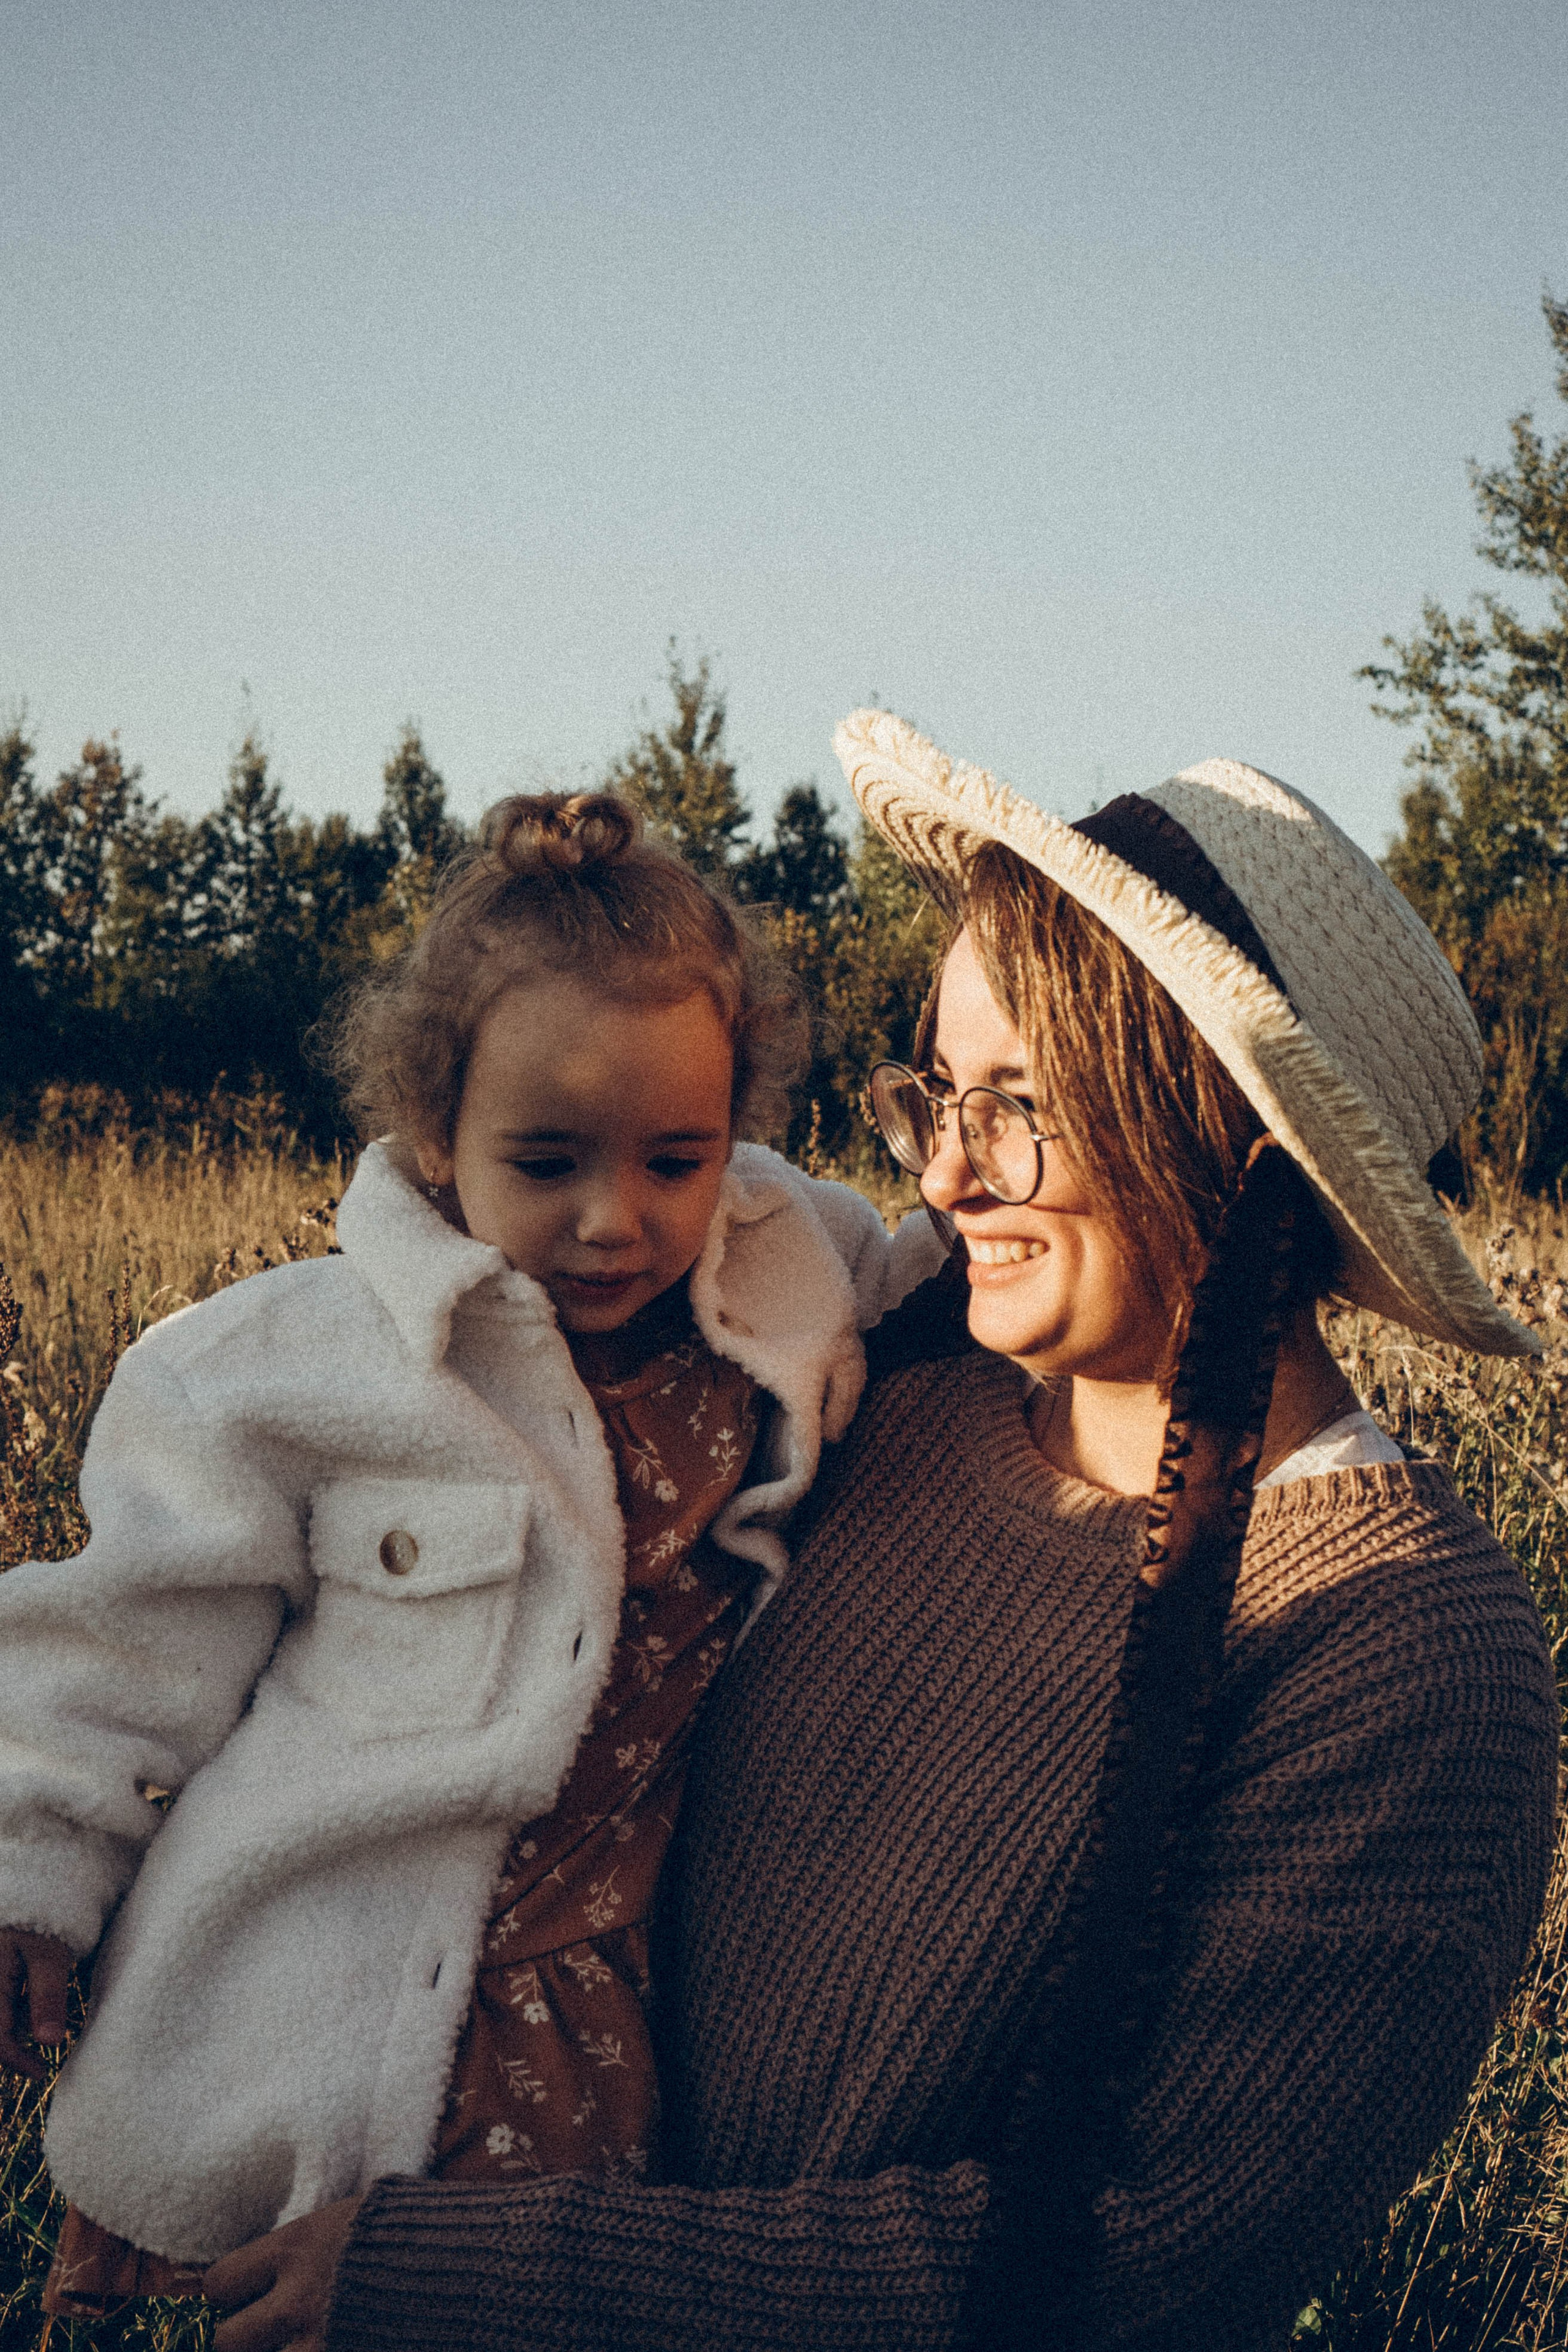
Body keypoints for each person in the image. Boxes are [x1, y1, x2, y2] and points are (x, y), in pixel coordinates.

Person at [294, 718, 1558, 2352]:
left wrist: (462, 2284)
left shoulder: (1398, 1645)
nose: (947, 1174)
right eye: (936, 1094)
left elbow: (1135, 2264)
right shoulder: (877, 1402)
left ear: (1232, 1140)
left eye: (1020, 1107)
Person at [0, 791, 905, 2324]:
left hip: (600, 2002)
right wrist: (34, 1866)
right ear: (435, 1133)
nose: (616, 1219)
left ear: (736, 1128)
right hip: (315, 1976)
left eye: (675, 1158)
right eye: (545, 1160)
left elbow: (953, 1268)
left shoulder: (788, 1272)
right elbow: (131, 1636)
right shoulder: (300, 1367)